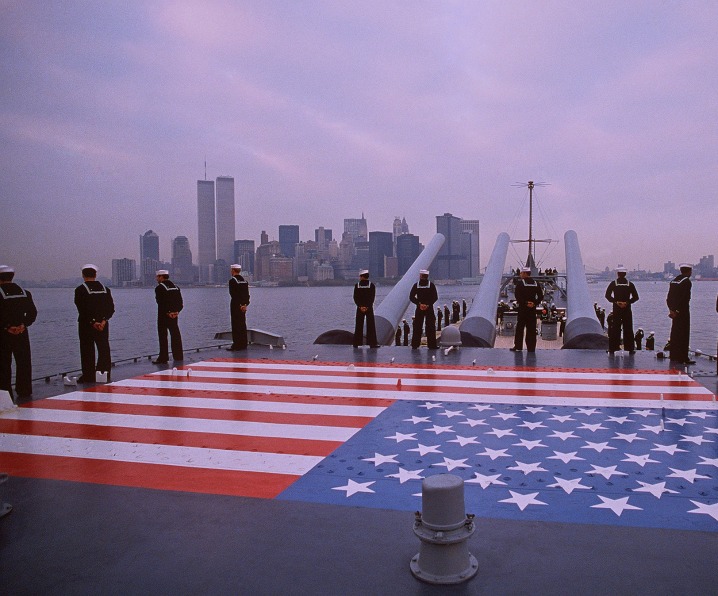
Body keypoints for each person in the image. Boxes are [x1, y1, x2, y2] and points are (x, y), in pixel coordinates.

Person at [0, 265, 37, 402]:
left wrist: (7, 327)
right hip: (22, 333)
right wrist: (23, 324)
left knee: (4, 364)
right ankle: (25, 390)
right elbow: (32, 313)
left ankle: (5, 392)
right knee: (24, 362)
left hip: (3, 334)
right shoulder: (25, 292)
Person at [74, 264, 114, 383]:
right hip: (103, 324)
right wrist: (103, 321)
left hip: (86, 325)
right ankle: (104, 373)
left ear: (83, 275)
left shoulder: (80, 290)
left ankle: (88, 375)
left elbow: (81, 308)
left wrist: (93, 322)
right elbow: (111, 308)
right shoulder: (106, 289)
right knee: (104, 348)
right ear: (95, 275)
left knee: (87, 350)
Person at [604, 266, 639, 354]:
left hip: (616, 309)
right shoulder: (630, 284)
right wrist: (627, 302)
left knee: (615, 328)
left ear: (618, 274)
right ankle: (630, 348)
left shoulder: (613, 284)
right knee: (628, 328)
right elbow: (636, 297)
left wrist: (616, 302)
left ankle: (613, 348)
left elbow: (607, 295)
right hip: (627, 309)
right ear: (625, 274)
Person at [153, 270, 184, 364]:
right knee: (175, 335)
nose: (156, 279)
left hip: (163, 315)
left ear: (161, 277)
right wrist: (176, 312)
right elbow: (180, 302)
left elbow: (161, 302)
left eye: (157, 277)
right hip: (175, 316)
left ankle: (163, 357)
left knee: (163, 336)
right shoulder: (176, 287)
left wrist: (168, 312)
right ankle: (178, 356)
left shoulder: (159, 288)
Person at [666, 263, 694, 365]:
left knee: (675, 333)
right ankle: (683, 357)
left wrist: (672, 310)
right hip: (682, 311)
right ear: (689, 271)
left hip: (673, 311)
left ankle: (673, 355)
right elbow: (685, 298)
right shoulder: (686, 282)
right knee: (684, 334)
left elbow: (669, 298)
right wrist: (678, 311)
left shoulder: (673, 281)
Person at [510, 267, 543, 352]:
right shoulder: (536, 283)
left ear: (525, 273)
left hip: (523, 309)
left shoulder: (520, 283)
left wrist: (525, 303)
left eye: (521, 273)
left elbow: (517, 296)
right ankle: (531, 348)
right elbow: (540, 296)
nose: (520, 274)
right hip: (532, 310)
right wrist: (534, 303)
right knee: (531, 329)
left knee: (520, 328)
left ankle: (518, 346)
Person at [409, 270, 438, 349]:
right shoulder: (431, 285)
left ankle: (415, 344)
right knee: (430, 327)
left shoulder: (416, 285)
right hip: (429, 308)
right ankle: (432, 345)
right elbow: (435, 297)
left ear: (421, 276)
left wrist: (419, 304)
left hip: (419, 308)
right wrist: (428, 304)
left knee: (417, 326)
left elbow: (411, 297)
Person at [353, 270, 378, 348]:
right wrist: (367, 306)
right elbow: (372, 297)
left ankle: (356, 343)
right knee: (371, 325)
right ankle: (372, 343)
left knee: (358, 325)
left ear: (362, 276)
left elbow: (355, 297)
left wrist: (360, 306)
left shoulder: (357, 285)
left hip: (359, 308)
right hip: (369, 307)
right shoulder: (372, 285)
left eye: (360, 276)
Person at [228, 264, 250, 351]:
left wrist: (239, 305)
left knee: (235, 324)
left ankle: (236, 345)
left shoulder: (232, 281)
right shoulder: (244, 281)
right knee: (242, 324)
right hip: (243, 306)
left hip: (236, 305)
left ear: (233, 270)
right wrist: (244, 304)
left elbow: (233, 294)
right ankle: (243, 343)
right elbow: (246, 295)